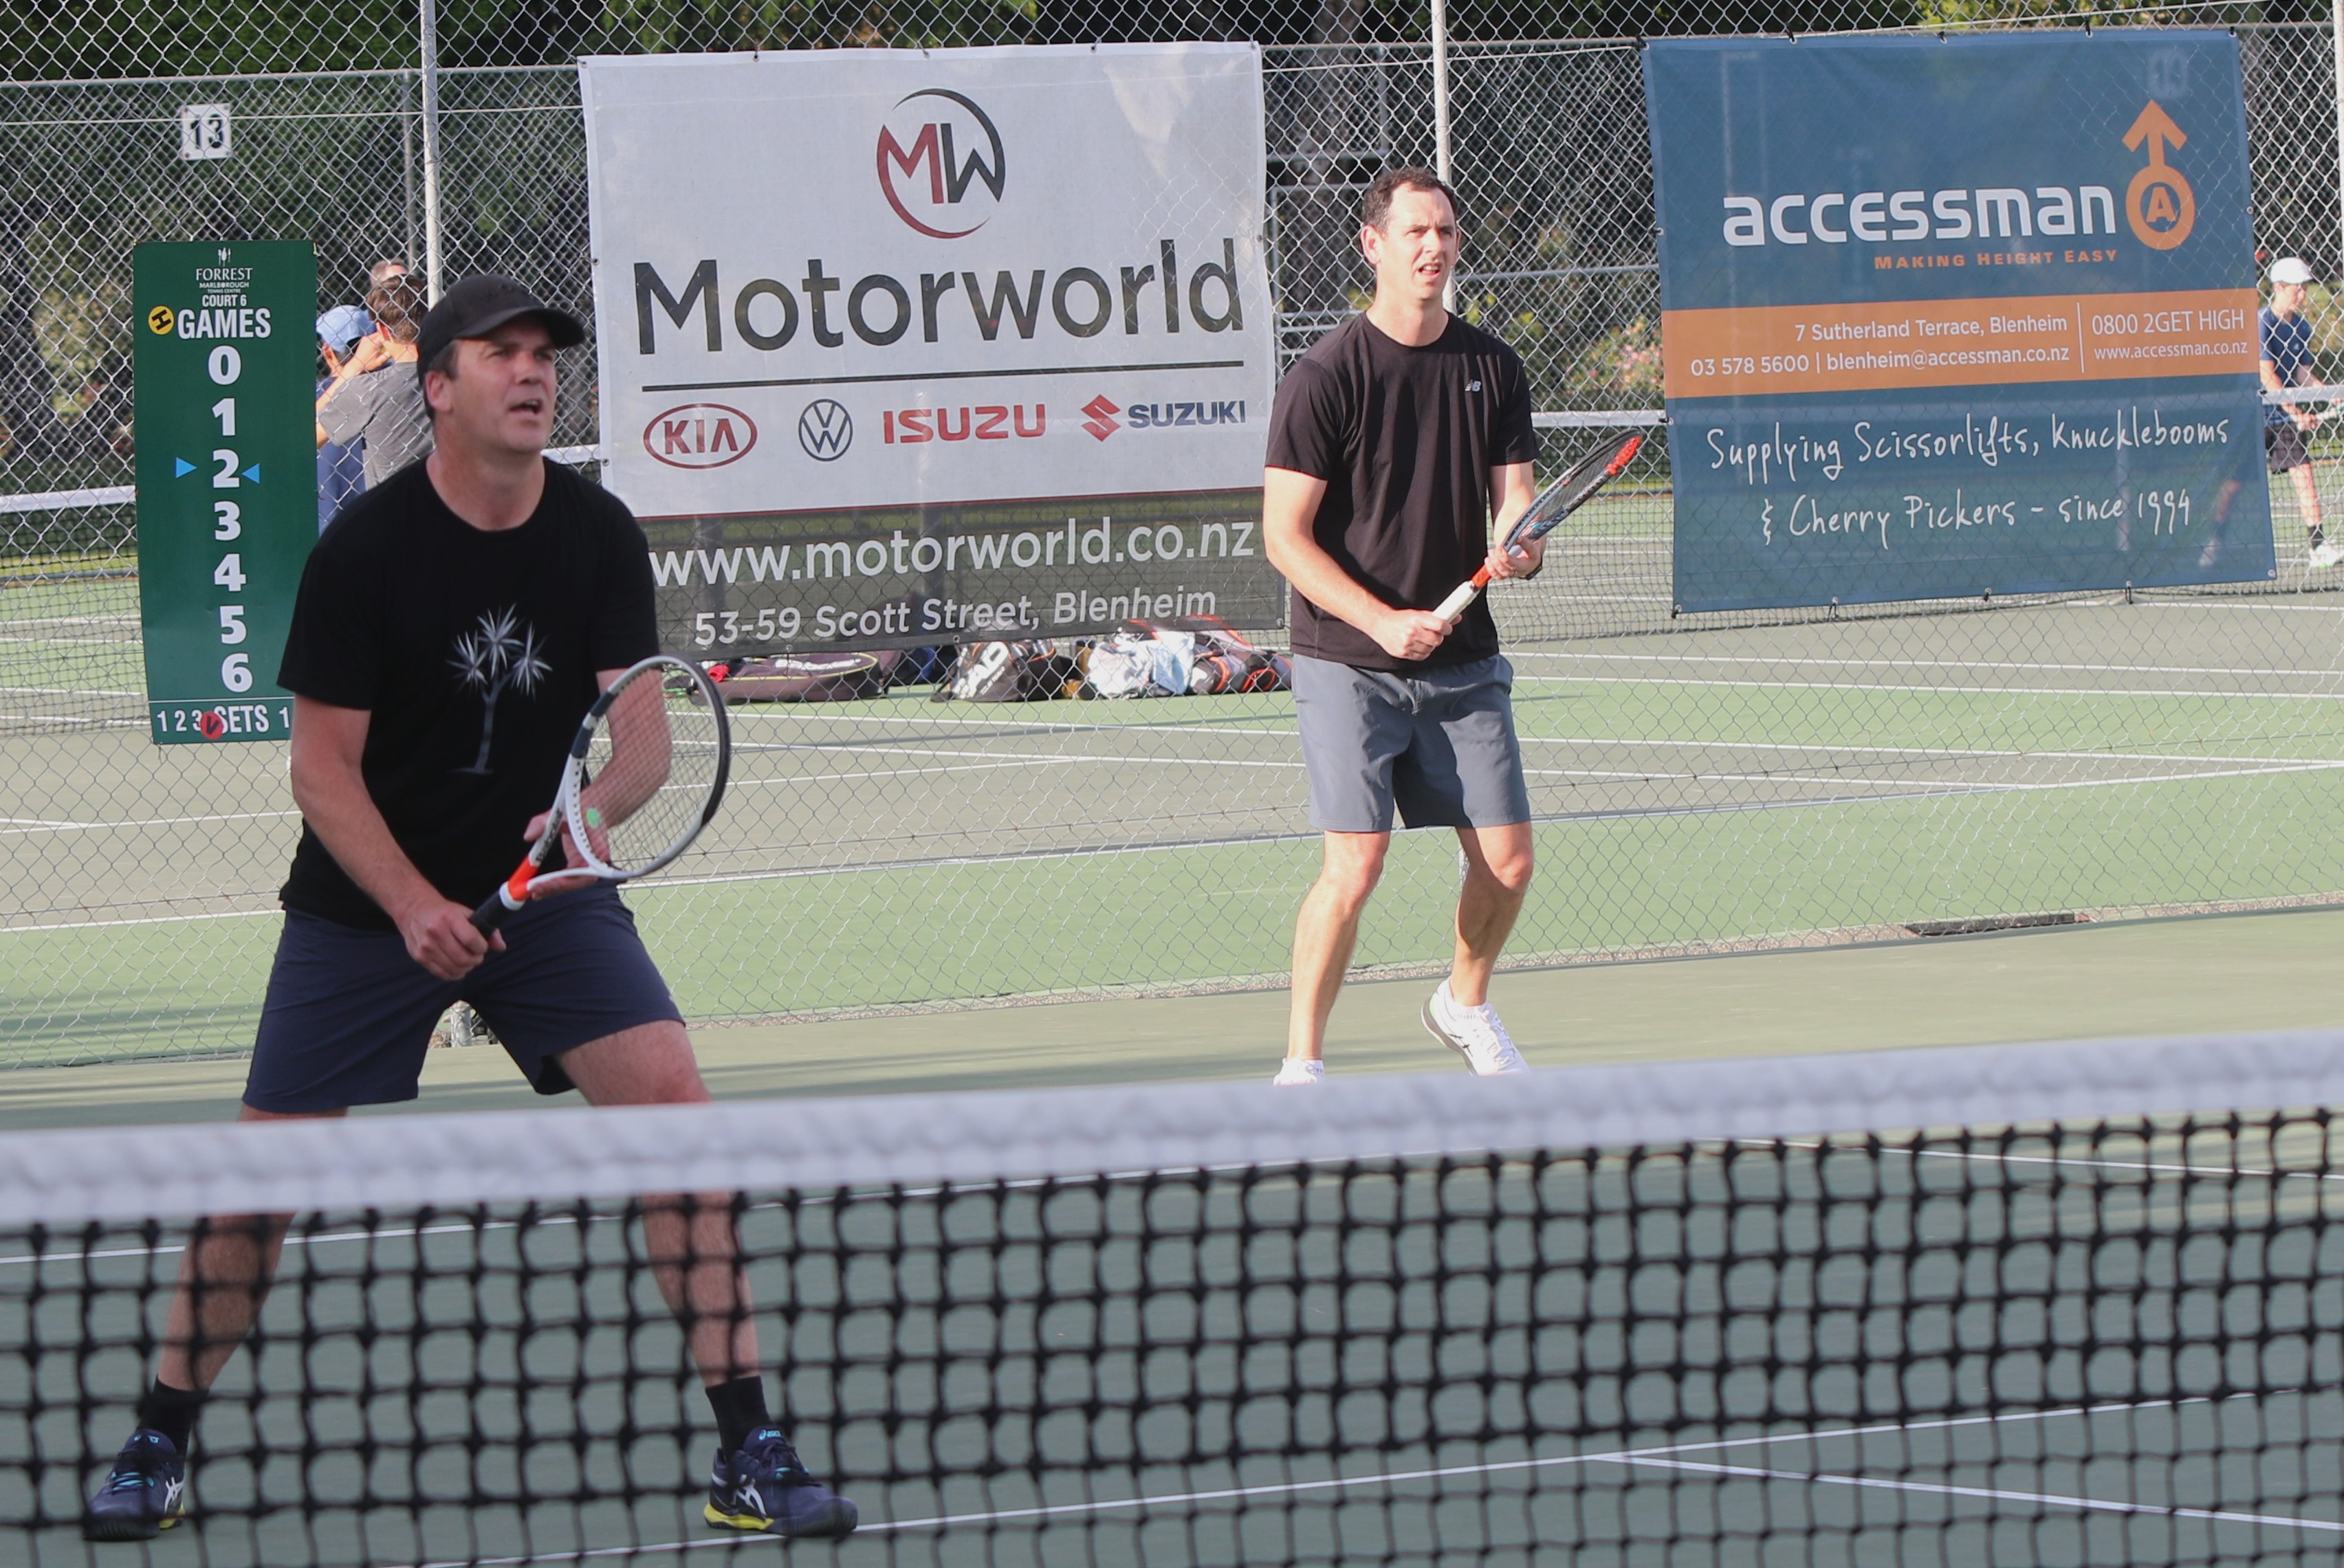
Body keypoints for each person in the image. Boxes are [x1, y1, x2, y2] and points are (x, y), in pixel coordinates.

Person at [82, 275, 857, 1546]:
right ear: (436, 386)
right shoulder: (365, 552)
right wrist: (408, 907)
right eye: (501, 352)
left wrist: (584, 819)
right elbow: (321, 773)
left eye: (544, 352)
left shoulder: (598, 534)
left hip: (541, 897)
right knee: (256, 1184)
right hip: (363, 905)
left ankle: (748, 1448)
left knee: (678, 1116)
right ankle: (158, 1438)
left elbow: (645, 745)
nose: (533, 370)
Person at [1260, 166, 1542, 1087]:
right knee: (1356, 864)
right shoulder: (1324, 378)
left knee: (1508, 862)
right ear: (1372, 245)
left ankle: (1464, 1003)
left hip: (1462, 658)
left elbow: (1516, 502)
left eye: (1446, 232)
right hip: (1348, 657)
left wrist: (1519, 543)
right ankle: (1302, 1065)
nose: (1434, 247)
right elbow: (1284, 538)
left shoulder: (1492, 367)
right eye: (1416, 231)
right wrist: (1381, 622)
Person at [316, 273, 432, 490]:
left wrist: (353, 368)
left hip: (392, 506)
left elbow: (307, 436)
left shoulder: (367, 389)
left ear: (382, 330)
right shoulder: (458, 377)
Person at [2261, 257, 2337, 568]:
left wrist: (2331, 395)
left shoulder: (2301, 326)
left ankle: (2318, 545)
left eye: (2305, 288)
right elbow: (2267, 376)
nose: (2303, 295)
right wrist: (2295, 412)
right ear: (2279, 288)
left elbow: (2302, 374)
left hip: (2283, 418)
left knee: (2303, 472)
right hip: (2255, 413)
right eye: (2297, 288)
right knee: (2235, 482)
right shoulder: (2262, 323)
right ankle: (2215, 541)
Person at [314, 303, 371, 529]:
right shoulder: (388, 388)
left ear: (327, 352)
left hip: (327, 527)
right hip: (378, 520)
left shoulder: (314, 398)